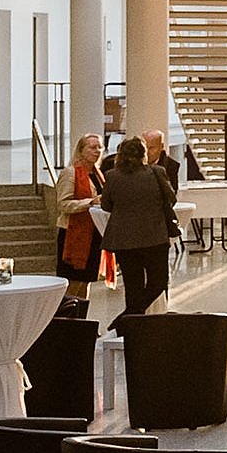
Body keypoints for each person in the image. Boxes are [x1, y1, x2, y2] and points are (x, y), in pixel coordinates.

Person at [98, 137, 180, 331]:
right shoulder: (156, 172)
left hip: (124, 240)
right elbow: (171, 198)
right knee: (158, 282)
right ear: (143, 154)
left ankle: (131, 324)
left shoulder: (112, 176)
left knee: (133, 285)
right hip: (154, 237)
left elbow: (106, 205)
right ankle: (129, 317)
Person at [51, 132, 107, 316]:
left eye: (99, 147)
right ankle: (66, 320)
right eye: (92, 147)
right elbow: (62, 204)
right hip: (73, 234)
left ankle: (81, 319)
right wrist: (90, 202)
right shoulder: (70, 173)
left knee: (86, 280)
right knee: (73, 281)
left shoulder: (98, 174)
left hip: (93, 233)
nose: (97, 151)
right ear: (81, 150)